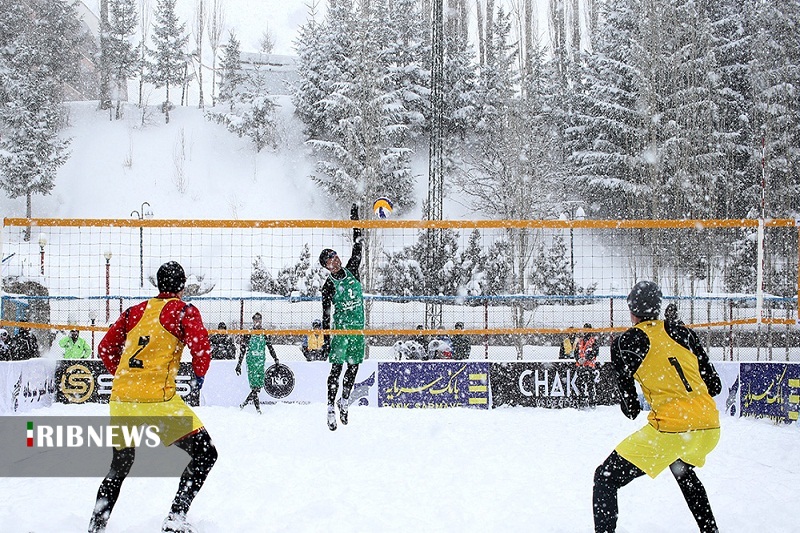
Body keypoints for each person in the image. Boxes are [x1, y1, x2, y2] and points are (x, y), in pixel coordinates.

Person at [88, 261, 217, 533]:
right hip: (158, 402)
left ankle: (96, 525)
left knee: (119, 466)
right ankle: (176, 516)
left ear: (158, 285)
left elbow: (105, 348)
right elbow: (201, 349)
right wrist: (199, 376)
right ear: (182, 287)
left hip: (122, 399)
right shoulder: (184, 311)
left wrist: (124, 377)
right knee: (206, 453)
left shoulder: (134, 312)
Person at [593, 280, 722, 533]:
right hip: (710, 426)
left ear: (632, 311)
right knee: (682, 470)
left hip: (673, 429)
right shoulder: (684, 332)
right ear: (658, 307)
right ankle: (711, 530)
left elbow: (630, 410)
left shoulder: (625, 343)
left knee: (604, 479)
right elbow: (714, 385)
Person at [319, 203, 364, 431]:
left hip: (358, 330)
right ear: (326, 267)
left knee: (354, 368)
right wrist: (326, 341)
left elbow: (359, 245)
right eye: (330, 261)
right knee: (336, 370)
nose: (335, 261)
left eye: (335, 257)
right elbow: (325, 316)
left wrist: (354, 218)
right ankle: (329, 408)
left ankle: (344, 401)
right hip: (341, 332)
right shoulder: (328, 286)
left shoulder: (352, 269)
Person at [235, 312, 279, 414]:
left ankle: (244, 404)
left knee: (258, 388)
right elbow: (243, 350)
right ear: (253, 321)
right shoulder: (249, 333)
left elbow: (270, 347)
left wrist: (275, 358)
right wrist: (239, 364)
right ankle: (258, 410)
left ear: (261, 321)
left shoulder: (264, 333)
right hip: (251, 363)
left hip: (260, 363)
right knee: (255, 388)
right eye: (256, 319)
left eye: (259, 319)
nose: (257, 321)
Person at [574, 323, 599, 407]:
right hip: (580, 366)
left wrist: (586, 358)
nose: (585, 331)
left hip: (589, 366)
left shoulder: (593, 340)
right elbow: (575, 352)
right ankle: (581, 401)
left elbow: (595, 352)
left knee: (590, 384)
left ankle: (591, 402)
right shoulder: (580, 341)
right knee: (579, 383)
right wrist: (578, 359)